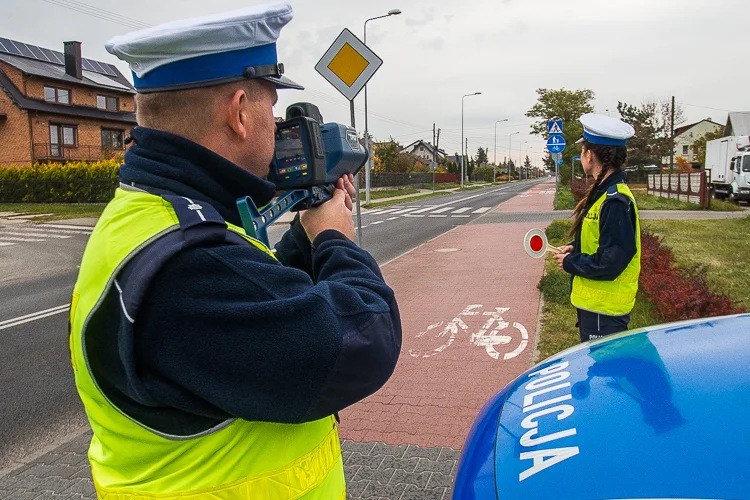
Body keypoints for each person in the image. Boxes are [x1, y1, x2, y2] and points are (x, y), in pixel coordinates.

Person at [68, 3, 401, 498]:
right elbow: (360, 342)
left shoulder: (158, 215)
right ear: (239, 111)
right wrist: (335, 239)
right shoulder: (188, 262)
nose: (276, 126)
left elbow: (258, 293)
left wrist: (307, 231)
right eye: (270, 107)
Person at [553, 113, 641, 342]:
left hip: (605, 310)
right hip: (598, 307)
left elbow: (612, 261)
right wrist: (576, 248)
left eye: (582, 150)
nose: (581, 155)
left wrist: (570, 262)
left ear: (589, 155)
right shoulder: (604, 193)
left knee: (603, 374)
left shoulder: (614, 201)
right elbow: (602, 240)